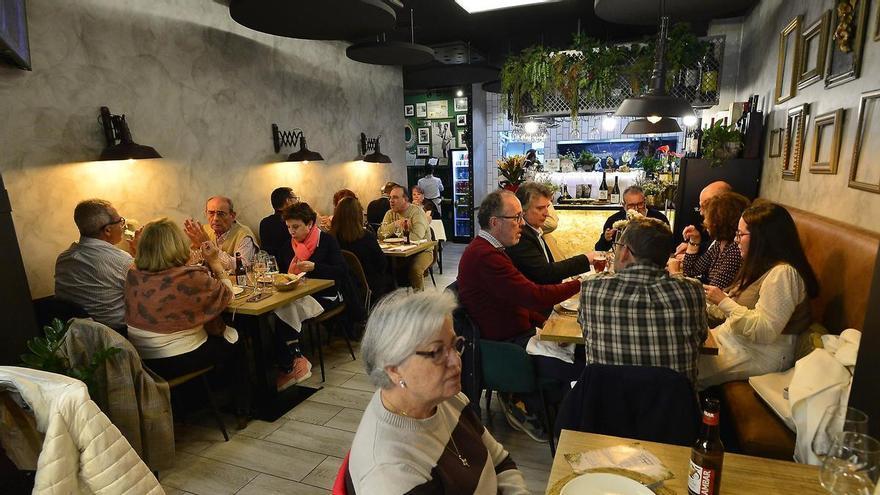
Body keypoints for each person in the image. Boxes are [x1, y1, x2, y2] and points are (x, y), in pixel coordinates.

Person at [350, 289, 529, 494]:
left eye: (454, 345)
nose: (456, 361)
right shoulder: (390, 476)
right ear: (394, 369)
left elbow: (500, 462)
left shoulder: (443, 398)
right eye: (436, 352)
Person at [457, 190, 581, 441]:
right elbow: (534, 295)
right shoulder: (485, 256)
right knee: (582, 368)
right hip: (505, 348)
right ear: (494, 222)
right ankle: (561, 426)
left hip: (517, 335)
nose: (522, 224)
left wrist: (543, 323)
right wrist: (581, 284)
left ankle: (552, 415)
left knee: (578, 354)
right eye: (516, 218)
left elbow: (518, 298)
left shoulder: (493, 250)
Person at [123, 218, 250, 419]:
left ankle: (199, 401)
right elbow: (226, 295)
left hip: (143, 359)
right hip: (177, 359)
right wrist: (215, 262)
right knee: (239, 339)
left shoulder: (133, 274)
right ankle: (243, 408)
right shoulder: (189, 276)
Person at [698, 201, 819, 389]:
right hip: (732, 340)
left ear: (763, 238)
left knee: (684, 368)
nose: (736, 240)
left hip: (758, 354)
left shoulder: (783, 274)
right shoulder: (759, 267)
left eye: (741, 234)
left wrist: (723, 301)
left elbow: (764, 331)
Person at [579, 217, 708, 383]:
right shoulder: (693, 291)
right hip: (673, 406)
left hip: (608, 403)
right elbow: (702, 338)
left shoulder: (591, 288)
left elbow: (585, 332)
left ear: (625, 252)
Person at [55, 199, 137, 331]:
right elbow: (147, 295)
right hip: (118, 336)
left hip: (78, 336)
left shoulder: (63, 259)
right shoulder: (121, 261)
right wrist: (140, 254)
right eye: (120, 221)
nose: (123, 225)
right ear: (108, 230)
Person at [283, 202, 365, 328]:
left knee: (290, 311)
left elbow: (342, 270)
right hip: (300, 293)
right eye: (288, 227)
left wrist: (315, 267)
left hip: (327, 294)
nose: (291, 232)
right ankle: (291, 345)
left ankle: (292, 345)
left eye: (295, 227)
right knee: (283, 309)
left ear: (309, 224)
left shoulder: (326, 241)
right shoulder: (290, 245)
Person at [506, 182, 592, 285]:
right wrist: (586, 259)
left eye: (547, 207)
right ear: (522, 210)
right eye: (540, 208)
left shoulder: (535, 231)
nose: (546, 213)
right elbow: (545, 273)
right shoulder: (521, 236)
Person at [678, 192, 750, 288]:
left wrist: (676, 274)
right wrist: (694, 240)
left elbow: (714, 290)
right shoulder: (718, 243)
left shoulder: (735, 249)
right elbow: (690, 271)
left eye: (708, 216)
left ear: (720, 220)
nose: (705, 221)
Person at [330, 196, 391, 304]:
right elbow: (382, 263)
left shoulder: (331, 238)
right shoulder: (366, 237)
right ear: (358, 214)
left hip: (341, 287)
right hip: (368, 284)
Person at [378, 185, 432, 291]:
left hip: (423, 251)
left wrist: (396, 236)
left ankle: (420, 300)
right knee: (381, 268)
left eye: (395, 198)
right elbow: (380, 235)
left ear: (405, 199)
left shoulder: (416, 212)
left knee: (415, 269)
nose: (391, 201)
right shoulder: (389, 213)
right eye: (390, 198)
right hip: (399, 253)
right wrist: (395, 224)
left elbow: (416, 237)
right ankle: (391, 301)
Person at [184, 196, 258, 271]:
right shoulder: (203, 231)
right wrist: (197, 248)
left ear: (232, 216)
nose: (215, 218)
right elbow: (190, 263)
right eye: (211, 213)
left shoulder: (244, 235)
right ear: (206, 213)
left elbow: (242, 266)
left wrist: (209, 246)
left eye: (221, 214)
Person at [595, 185, 670, 251]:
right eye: (631, 205)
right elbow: (599, 249)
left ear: (645, 201)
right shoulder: (614, 220)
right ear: (623, 205)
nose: (636, 209)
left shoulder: (659, 218)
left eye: (640, 204)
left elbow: (670, 246)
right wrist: (606, 239)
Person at [674, 180, 734, 256]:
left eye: (705, 206)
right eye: (700, 206)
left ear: (722, 205)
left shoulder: (734, 243)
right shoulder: (719, 235)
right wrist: (694, 244)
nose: (701, 212)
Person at [259, 187, 298, 273]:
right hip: (292, 269)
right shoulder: (294, 223)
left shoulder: (264, 223)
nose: (297, 201)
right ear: (288, 201)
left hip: (270, 269)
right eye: (295, 198)